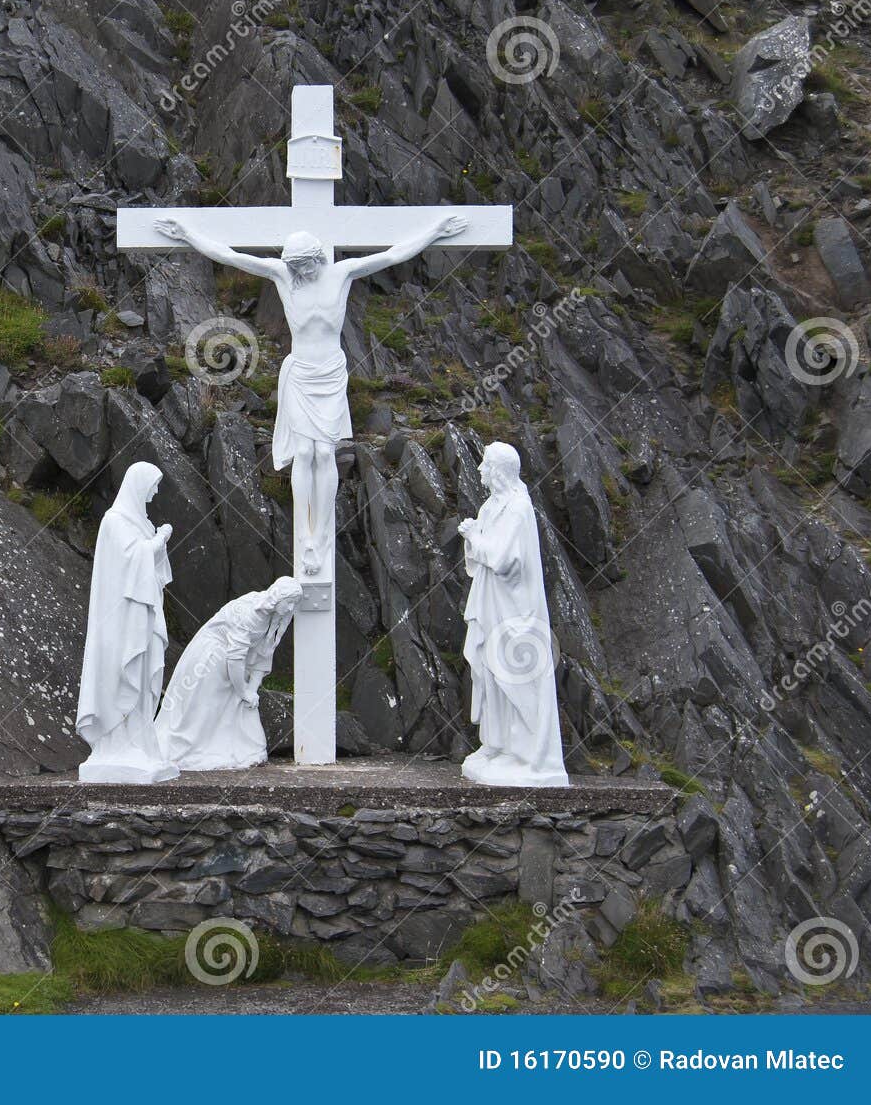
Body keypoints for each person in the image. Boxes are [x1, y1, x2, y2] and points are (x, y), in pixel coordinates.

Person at [156, 215, 465, 577]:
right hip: (301, 375)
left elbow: (394, 255)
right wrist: (188, 234)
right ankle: (306, 533)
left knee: (324, 453)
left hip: (331, 376)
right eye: (293, 268)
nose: (298, 274)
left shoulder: (343, 273)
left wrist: (435, 231)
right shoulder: (282, 275)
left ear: (316, 259)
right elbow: (228, 255)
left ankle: (321, 533)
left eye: (302, 267)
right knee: (304, 452)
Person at [457, 442, 569, 787]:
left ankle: (528, 754)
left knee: (514, 676)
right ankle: (499, 744)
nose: (479, 472)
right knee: (491, 674)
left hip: (514, 611)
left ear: (500, 470)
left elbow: (505, 560)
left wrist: (474, 534)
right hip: (492, 604)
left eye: (485, 465)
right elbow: (482, 560)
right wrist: (473, 537)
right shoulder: (492, 506)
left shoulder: (519, 508)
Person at [75, 462, 180, 783]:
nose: (156, 492)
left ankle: (138, 743)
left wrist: (155, 541)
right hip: (120, 620)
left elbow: (156, 575)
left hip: (143, 616)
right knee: (123, 673)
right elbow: (129, 564)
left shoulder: (139, 523)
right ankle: (117, 743)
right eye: (153, 485)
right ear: (138, 485)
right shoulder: (115, 522)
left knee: (143, 675)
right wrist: (158, 541)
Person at [155, 577, 305, 771]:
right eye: (290, 601)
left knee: (242, 706)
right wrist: (243, 691)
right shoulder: (250, 614)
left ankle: (244, 750)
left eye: (295, 603)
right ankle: (191, 750)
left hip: (234, 664)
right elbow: (234, 660)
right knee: (204, 709)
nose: (291, 607)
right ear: (278, 597)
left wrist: (251, 691)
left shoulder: (273, 619)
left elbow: (263, 654)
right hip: (211, 659)